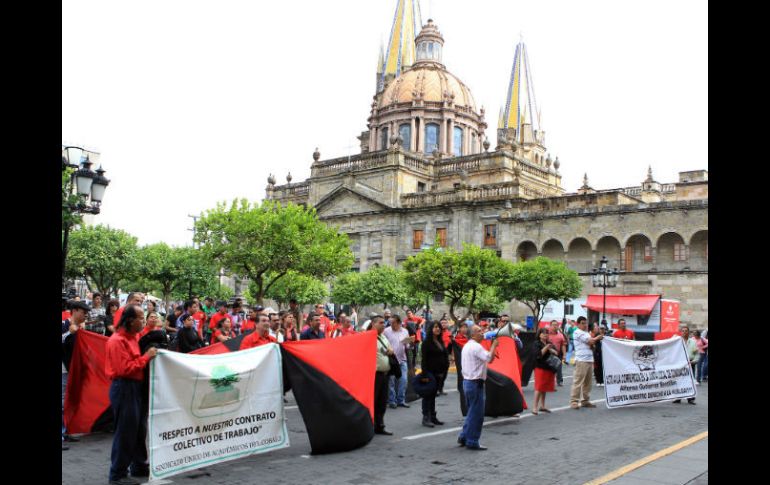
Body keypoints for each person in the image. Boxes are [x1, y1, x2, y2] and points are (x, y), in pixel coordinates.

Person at [105, 304, 158, 484]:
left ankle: (139, 465)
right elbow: (125, 369)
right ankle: (117, 474)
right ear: (130, 321)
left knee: (138, 429)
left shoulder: (133, 337)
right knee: (126, 432)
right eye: (141, 318)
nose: (143, 321)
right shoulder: (116, 341)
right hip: (124, 387)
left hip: (135, 387)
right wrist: (146, 357)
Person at [457, 325, 501, 450]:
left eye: (481, 331)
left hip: (468, 382)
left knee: (472, 412)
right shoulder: (476, 346)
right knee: (477, 414)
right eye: (479, 331)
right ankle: (472, 441)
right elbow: (489, 358)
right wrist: (494, 345)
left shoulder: (467, 346)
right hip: (475, 383)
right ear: (472, 335)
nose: (482, 333)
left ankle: (464, 436)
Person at [569, 316, 603, 410]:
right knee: (578, 381)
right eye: (583, 323)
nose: (585, 325)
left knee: (588, 382)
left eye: (586, 323)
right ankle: (574, 401)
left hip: (589, 359)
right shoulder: (577, 332)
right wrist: (597, 338)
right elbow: (591, 341)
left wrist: (593, 341)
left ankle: (585, 400)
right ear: (578, 324)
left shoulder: (586, 333)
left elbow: (591, 344)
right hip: (581, 360)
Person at [420, 321, 449, 427]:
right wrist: (424, 375)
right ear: (431, 329)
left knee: (433, 396)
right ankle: (426, 417)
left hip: (439, 373)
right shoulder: (427, 342)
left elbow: (444, 355)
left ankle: (433, 416)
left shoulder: (440, 341)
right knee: (428, 396)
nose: (438, 329)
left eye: (439, 327)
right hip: (430, 373)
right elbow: (424, 360)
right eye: (435, 327)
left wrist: (444, 368)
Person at [384, 315, 413, 409]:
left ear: (399, 323)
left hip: (402, 359)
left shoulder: (405, 331)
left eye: (393, 323)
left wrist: (409, 343)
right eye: (390, 322)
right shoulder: (386, 331)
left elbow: (407, 346)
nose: (391, 324)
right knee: (391, 381)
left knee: (403, 380)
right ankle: (392, 401)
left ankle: (401, 400)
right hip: (391, 360)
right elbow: (383, 343)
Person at [372, 316, 394, 435]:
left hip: (385, 375)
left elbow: (390, 348)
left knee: (382, 401)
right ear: (373, 324)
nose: (383, 325)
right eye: (380, 323)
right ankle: (371, 426)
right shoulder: (369, 337)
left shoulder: (383, 337)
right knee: (374, 402)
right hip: (375, 375)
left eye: (384, 323)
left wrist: (390, 349)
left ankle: (380, 425)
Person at [532, 328, 558, 414]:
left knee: (544, 388)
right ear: (539, 335)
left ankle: (542, 406)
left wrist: (551, 349)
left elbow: (556, 353)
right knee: (539, 387)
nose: (545, 335)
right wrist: (546, 348)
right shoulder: (536, 343)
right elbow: (538, 355)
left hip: (549, 367)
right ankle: (534, 407)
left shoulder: (549, 343)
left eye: (547, 333)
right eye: (543, 333)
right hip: (540, 367)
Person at [673, 325, 698, 404]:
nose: (684, 332)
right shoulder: (677, 341)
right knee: (679, 380)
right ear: (681, 332)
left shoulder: (693, 342)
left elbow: (696, 353)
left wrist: (694, 360)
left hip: (690, 363)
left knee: (690, 381)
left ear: (688, 332)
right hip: (680, 363)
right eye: (682, 331)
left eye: (686, 331)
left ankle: (690, 398)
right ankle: (678, 398)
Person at [547, 320, 567, 386]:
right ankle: (549, 381)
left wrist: (564, 355)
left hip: (558, 354)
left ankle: (559, 381)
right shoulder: (546, 334)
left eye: (556, 325)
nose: (555, 326)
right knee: (549, 368)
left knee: (559, 367)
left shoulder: (560, 335)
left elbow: (563, 345)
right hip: (548, 354)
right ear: (550, 326)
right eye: (553, 325)